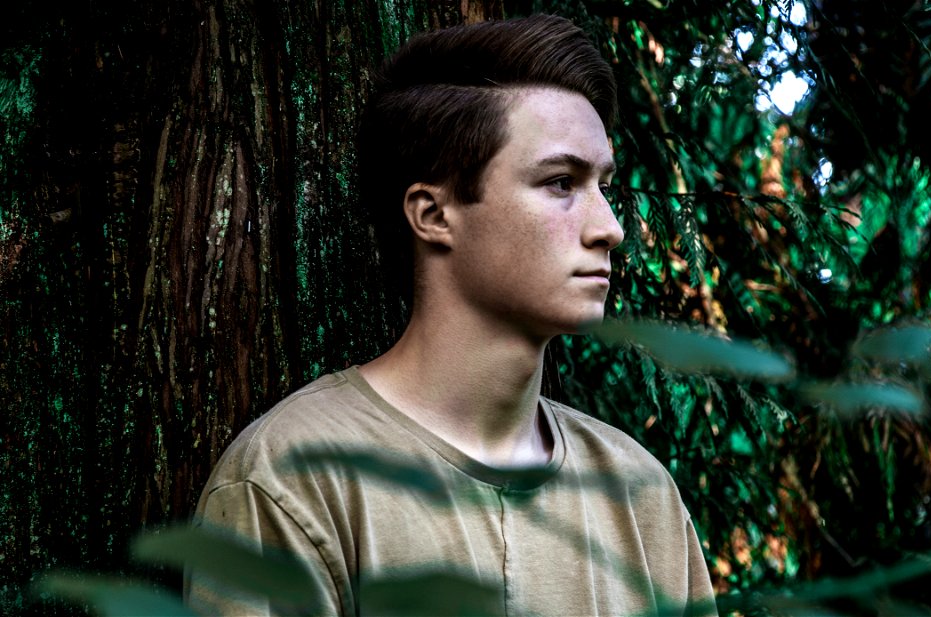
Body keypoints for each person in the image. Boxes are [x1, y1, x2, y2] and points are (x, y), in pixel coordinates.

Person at [185, 13, 716, 616]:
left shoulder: (640, 497)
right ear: (433, 215)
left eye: (603, 185)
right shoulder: (293, 482)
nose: (610, 229)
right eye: (561, 182)